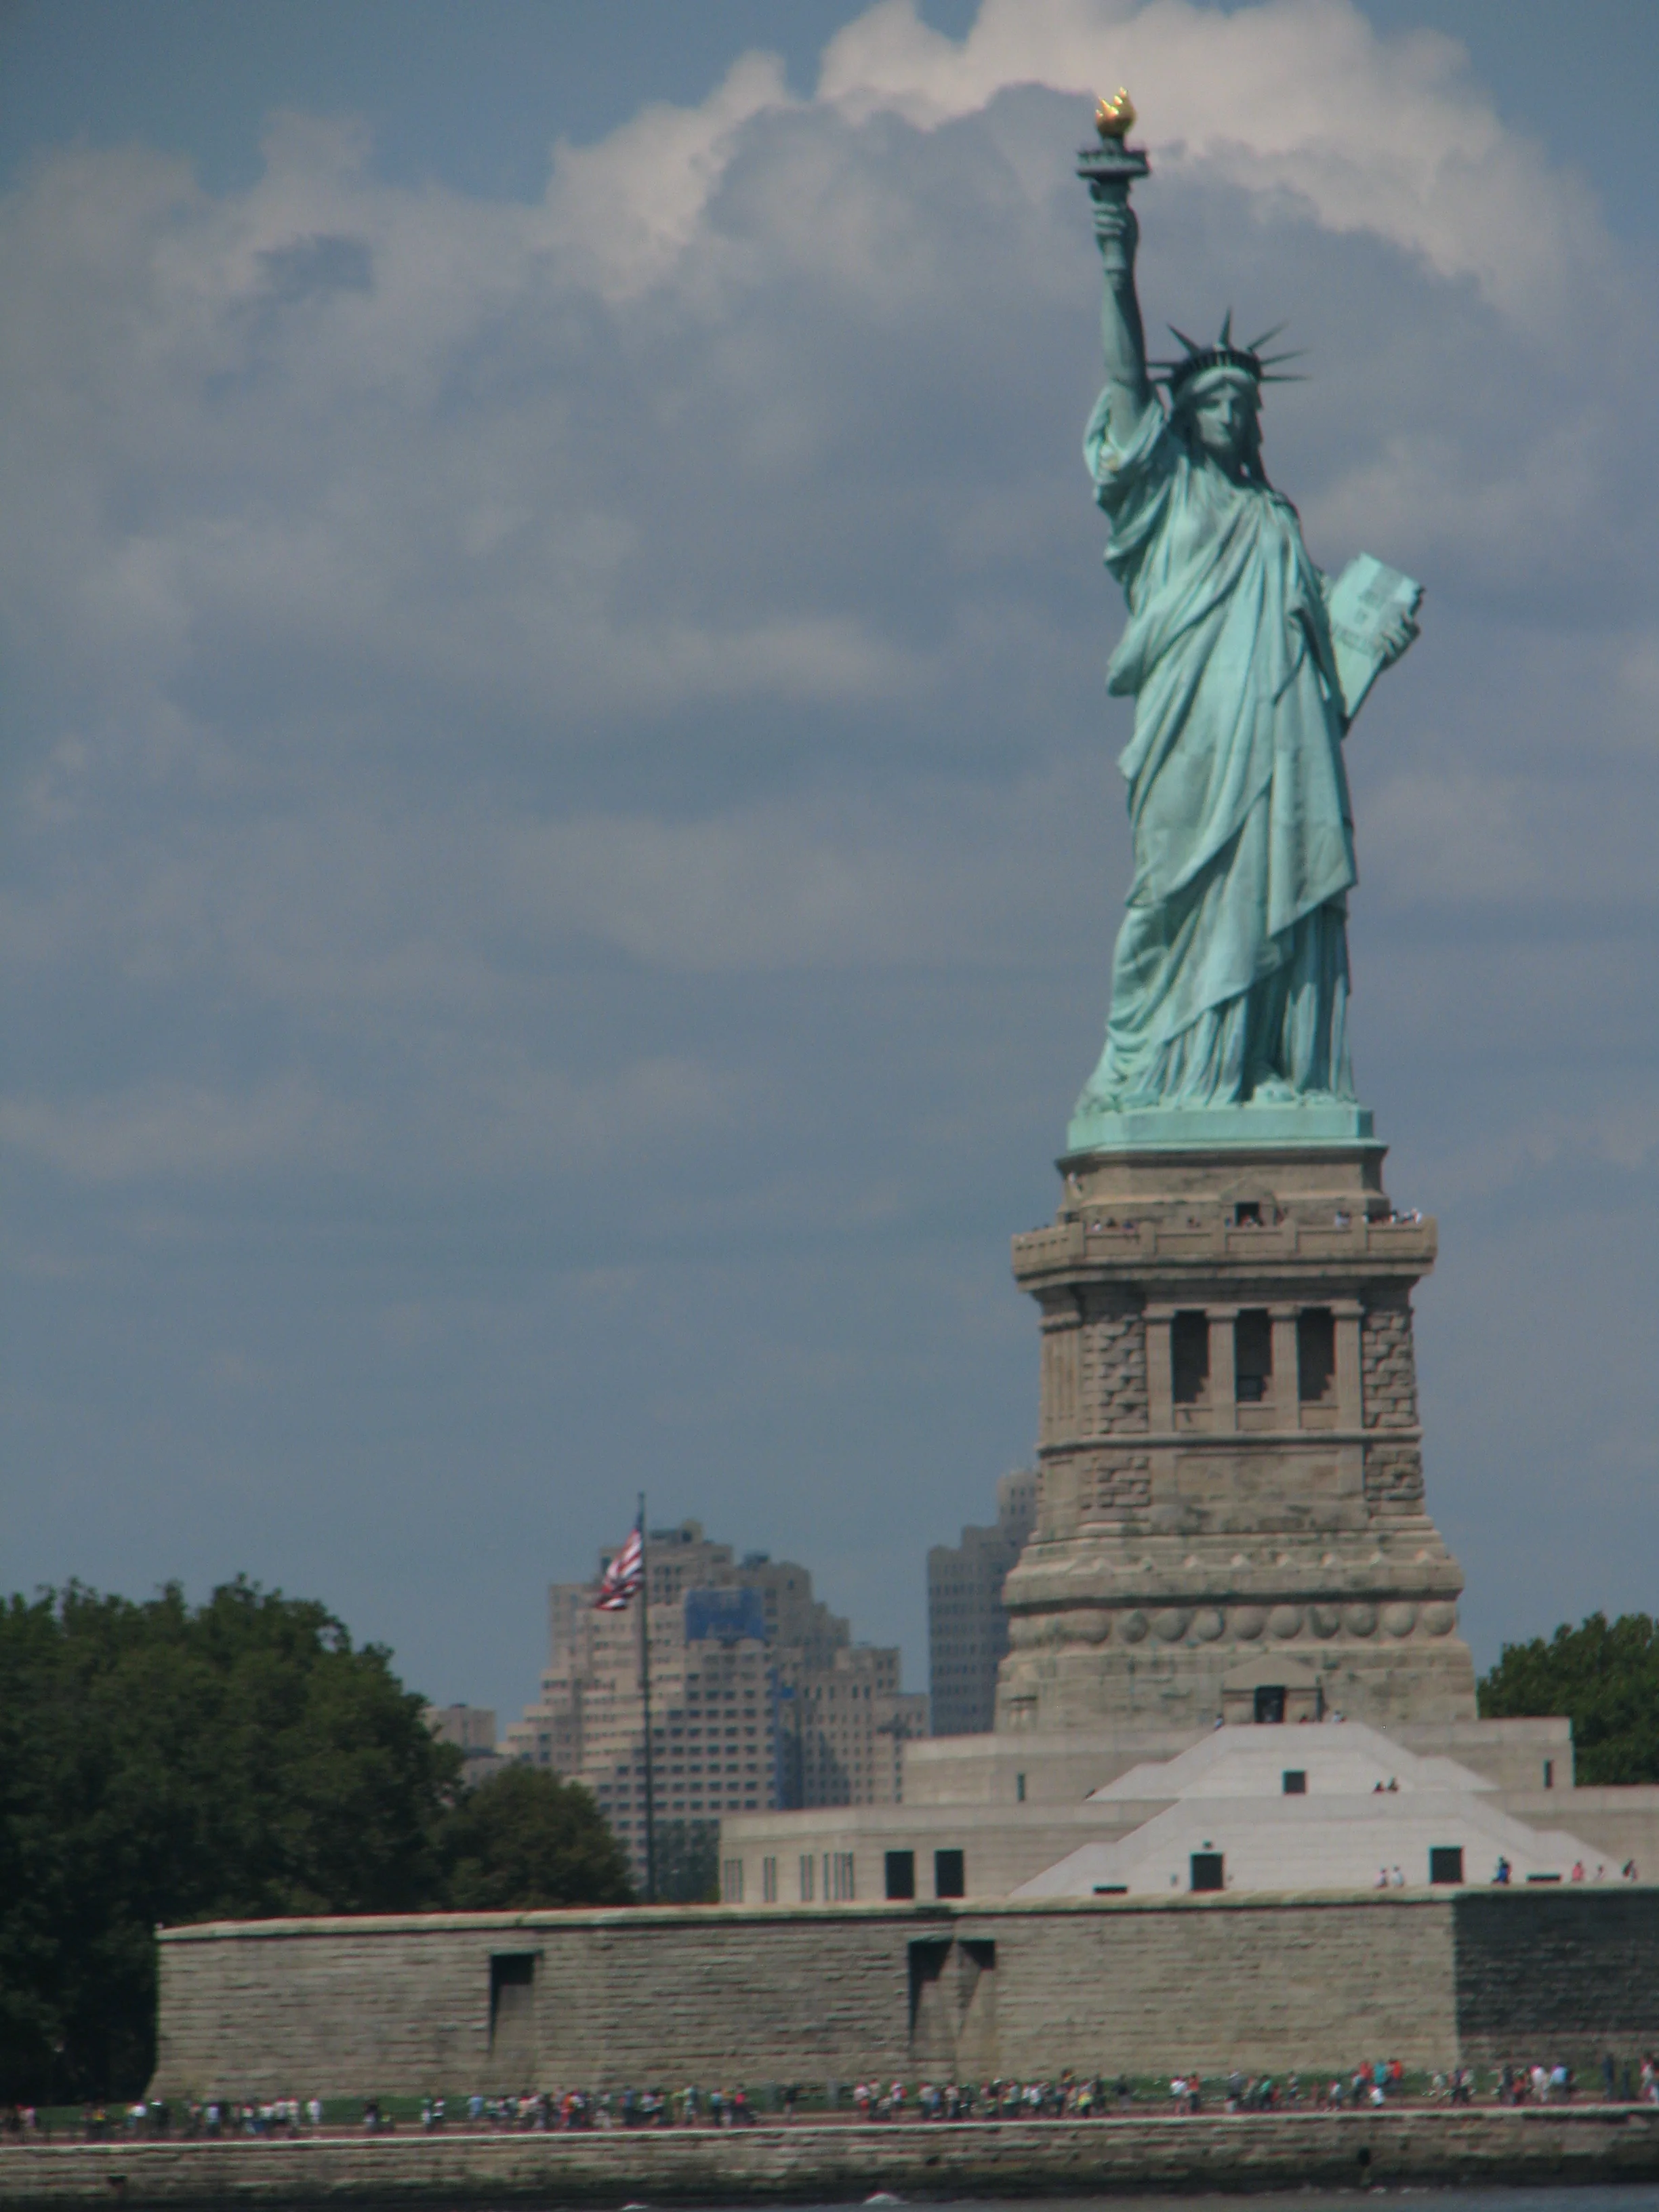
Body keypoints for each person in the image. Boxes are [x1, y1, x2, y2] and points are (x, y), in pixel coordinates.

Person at [1070, 173, 1418, 1124]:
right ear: (1182, 416)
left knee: (1277, 891)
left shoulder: (1274, 518)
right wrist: (1116, 258)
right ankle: (1162, 1072)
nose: (1231, 414)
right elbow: (1124, 382)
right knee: (1173, 898)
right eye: (1214, 400)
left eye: (1244, 402)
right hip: (1192, 732)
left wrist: (1368, 645)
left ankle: (1259, 1067)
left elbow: (1316, 660)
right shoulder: (1164, 493)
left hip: (1283, 741)